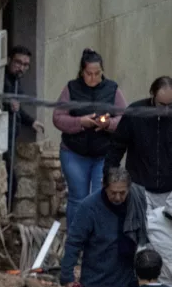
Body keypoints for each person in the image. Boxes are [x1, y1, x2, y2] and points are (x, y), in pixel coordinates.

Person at [52, 49, 127, 228]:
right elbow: (58, 118)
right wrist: (80, 122)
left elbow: (125, 118)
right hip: (74, 153)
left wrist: (108, 124)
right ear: (81, 72)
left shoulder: (112, 89)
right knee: (78, 197)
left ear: (102, 71)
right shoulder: (71, 88)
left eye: (97, 73)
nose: (93, 78)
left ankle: (96, 239)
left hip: (103, 153)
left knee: (99, 197)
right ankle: (76, 240)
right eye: (89, 74)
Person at [106, 76, 172, 211]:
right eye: (161, 105)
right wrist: (109, 175)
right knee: (139, 229)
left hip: (170, 190)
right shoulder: (135, 113)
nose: (165, 110)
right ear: (152, 95)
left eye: (170, 105)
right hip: (139, 187)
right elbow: (117, 146)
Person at [2, 46, 46, 211]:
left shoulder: (15, 80)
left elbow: (17, 106)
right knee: (10, 182)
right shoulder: (4, 80)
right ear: (9, 60)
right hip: (1, 139)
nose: (22, 67)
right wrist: (7, 103)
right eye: (18, 62)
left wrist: (31, 122)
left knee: (12, 182)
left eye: (26, 64)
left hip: (11, 138)